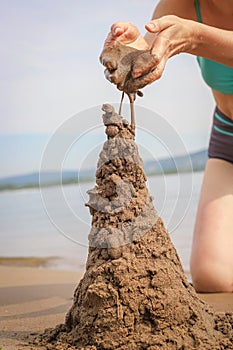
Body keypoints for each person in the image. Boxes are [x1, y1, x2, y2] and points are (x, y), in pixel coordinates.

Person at [100, 0, 233, 292]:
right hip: (228, 134)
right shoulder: (182, 3)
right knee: (212, 277)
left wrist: (197, 37)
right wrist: (130, 50)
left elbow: (193, 37)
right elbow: (148, 52)